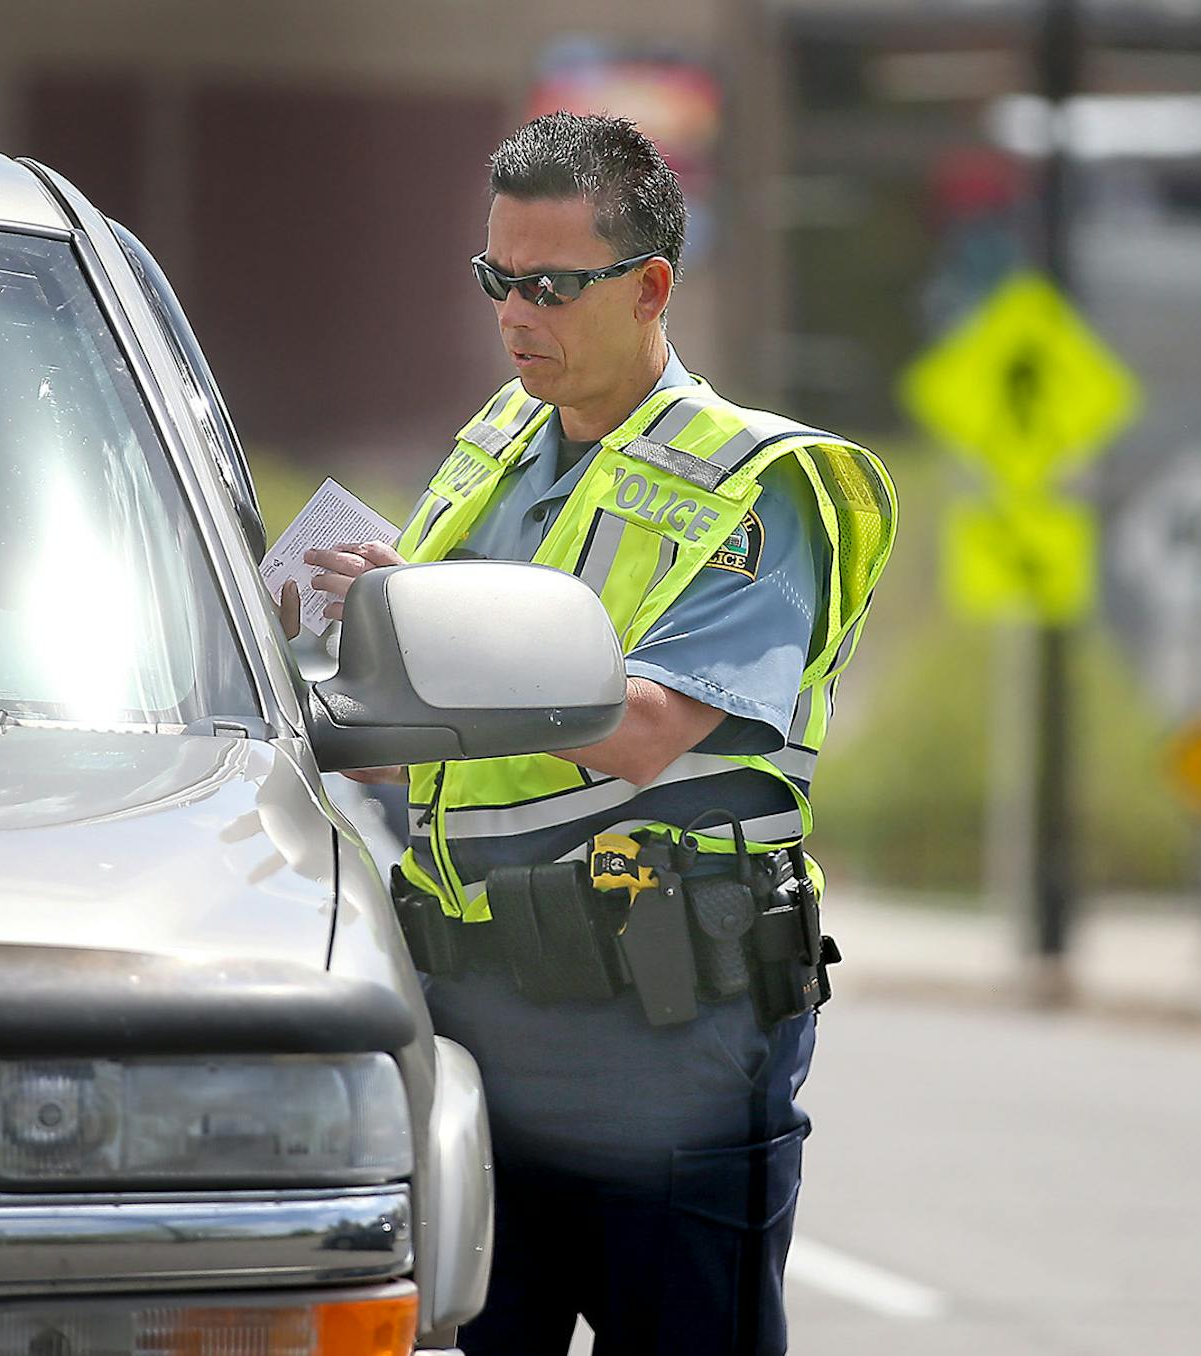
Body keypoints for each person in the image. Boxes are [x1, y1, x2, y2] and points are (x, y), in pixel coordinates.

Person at [299, 113, 896, 1355]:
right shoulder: (494, 450)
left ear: (652, 288)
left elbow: (643, 732)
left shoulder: (757, 485)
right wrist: (343, 647)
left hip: (666, 1038)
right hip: (480, 1028)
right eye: (497, 280)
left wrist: (429, 625)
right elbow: (448, 747)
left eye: (554, 286)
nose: (518, 315)